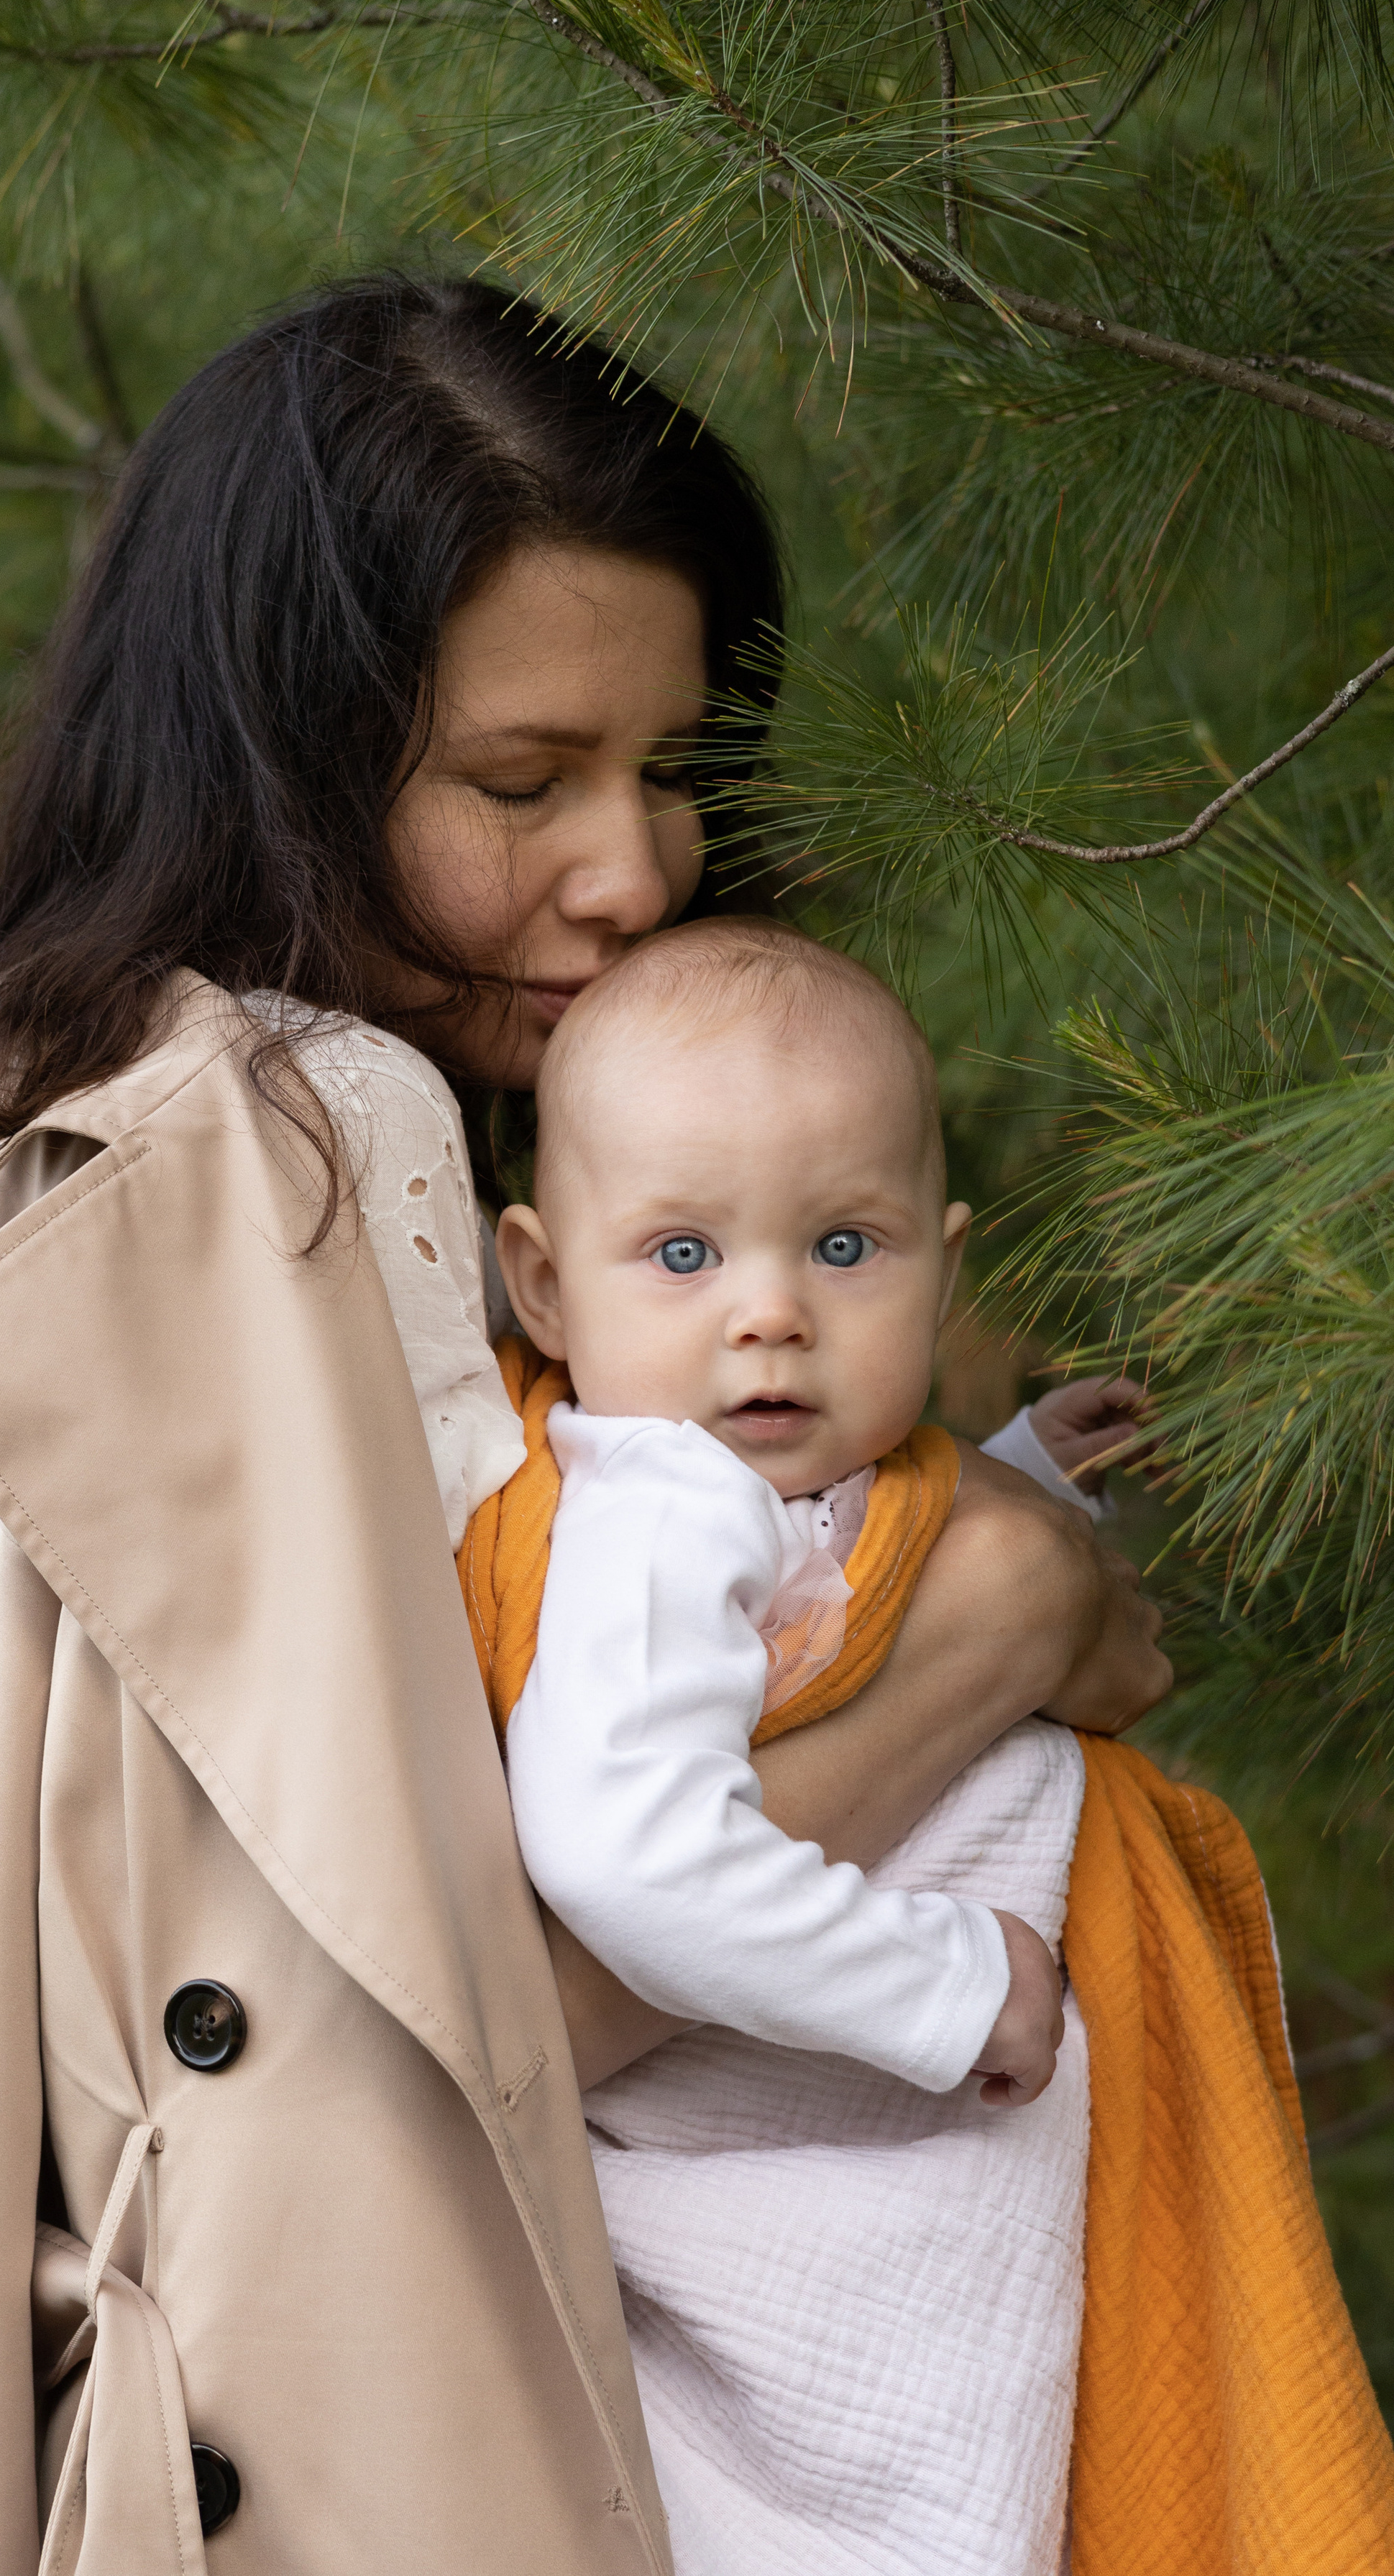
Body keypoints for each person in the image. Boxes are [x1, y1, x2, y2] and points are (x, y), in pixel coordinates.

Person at [0, 272, 1165, 2576]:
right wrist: (986, 1633)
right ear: (278, 753)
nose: (631, 877)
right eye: (523, 785)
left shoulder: (25, 1156)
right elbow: (429, 2026)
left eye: (679, 774)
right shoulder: (310, 1147)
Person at [494, 918, 1093, 2571]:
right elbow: (627, 1847)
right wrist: (948, 1984)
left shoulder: (740, 1490)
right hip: (780, 2167)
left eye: (844, 1247)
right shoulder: (655, 1515)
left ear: (944, 1268)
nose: (769, 1316)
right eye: (681, 1257)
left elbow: (846, 1596)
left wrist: (1027, 1485)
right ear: (544, 1283)